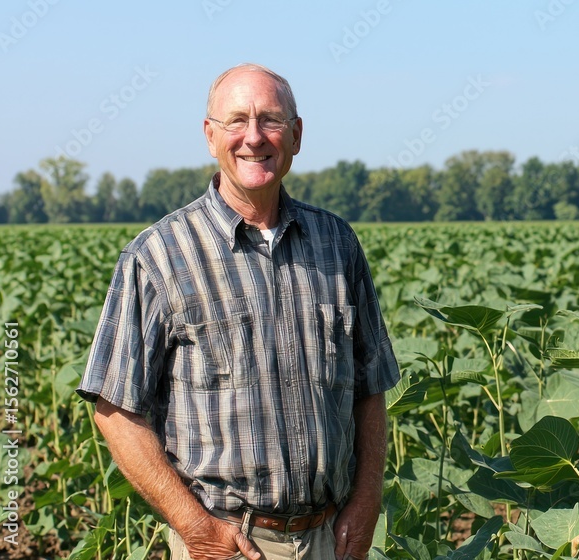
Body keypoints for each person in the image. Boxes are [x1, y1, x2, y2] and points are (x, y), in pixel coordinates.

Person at [77, 63, 400, 560]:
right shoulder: (159, 255)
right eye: (237, 121)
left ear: (296, 135)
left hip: (330, 538)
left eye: (270, 120)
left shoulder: (337, 243)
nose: (254, 137)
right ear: (210, 136)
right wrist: (196, 528)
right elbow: (115, 411)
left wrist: (366, 501)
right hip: (228, 544)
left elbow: (370, 387)